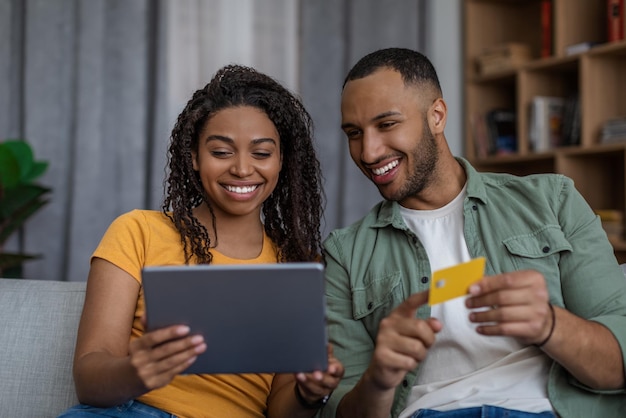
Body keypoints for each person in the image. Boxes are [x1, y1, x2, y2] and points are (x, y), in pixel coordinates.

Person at [318, 48, 626, 418]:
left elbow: (616, 367)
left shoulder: (552, 201)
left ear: (436, 116)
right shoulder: (346, 254)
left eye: (386, 125)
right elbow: (344, 412)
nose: (368, 152)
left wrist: (549, 324)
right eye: (354, 133)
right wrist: (380, 378)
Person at [57, 64, 343, 418]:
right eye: (221, 152)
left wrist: (309, 393)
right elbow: (89, 377)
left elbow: (281, 412)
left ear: (281, 161)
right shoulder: (137, 231)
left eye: (262, 153)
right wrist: (136, 371)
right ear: (193, 156)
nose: (241, 168)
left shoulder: (298, 262)